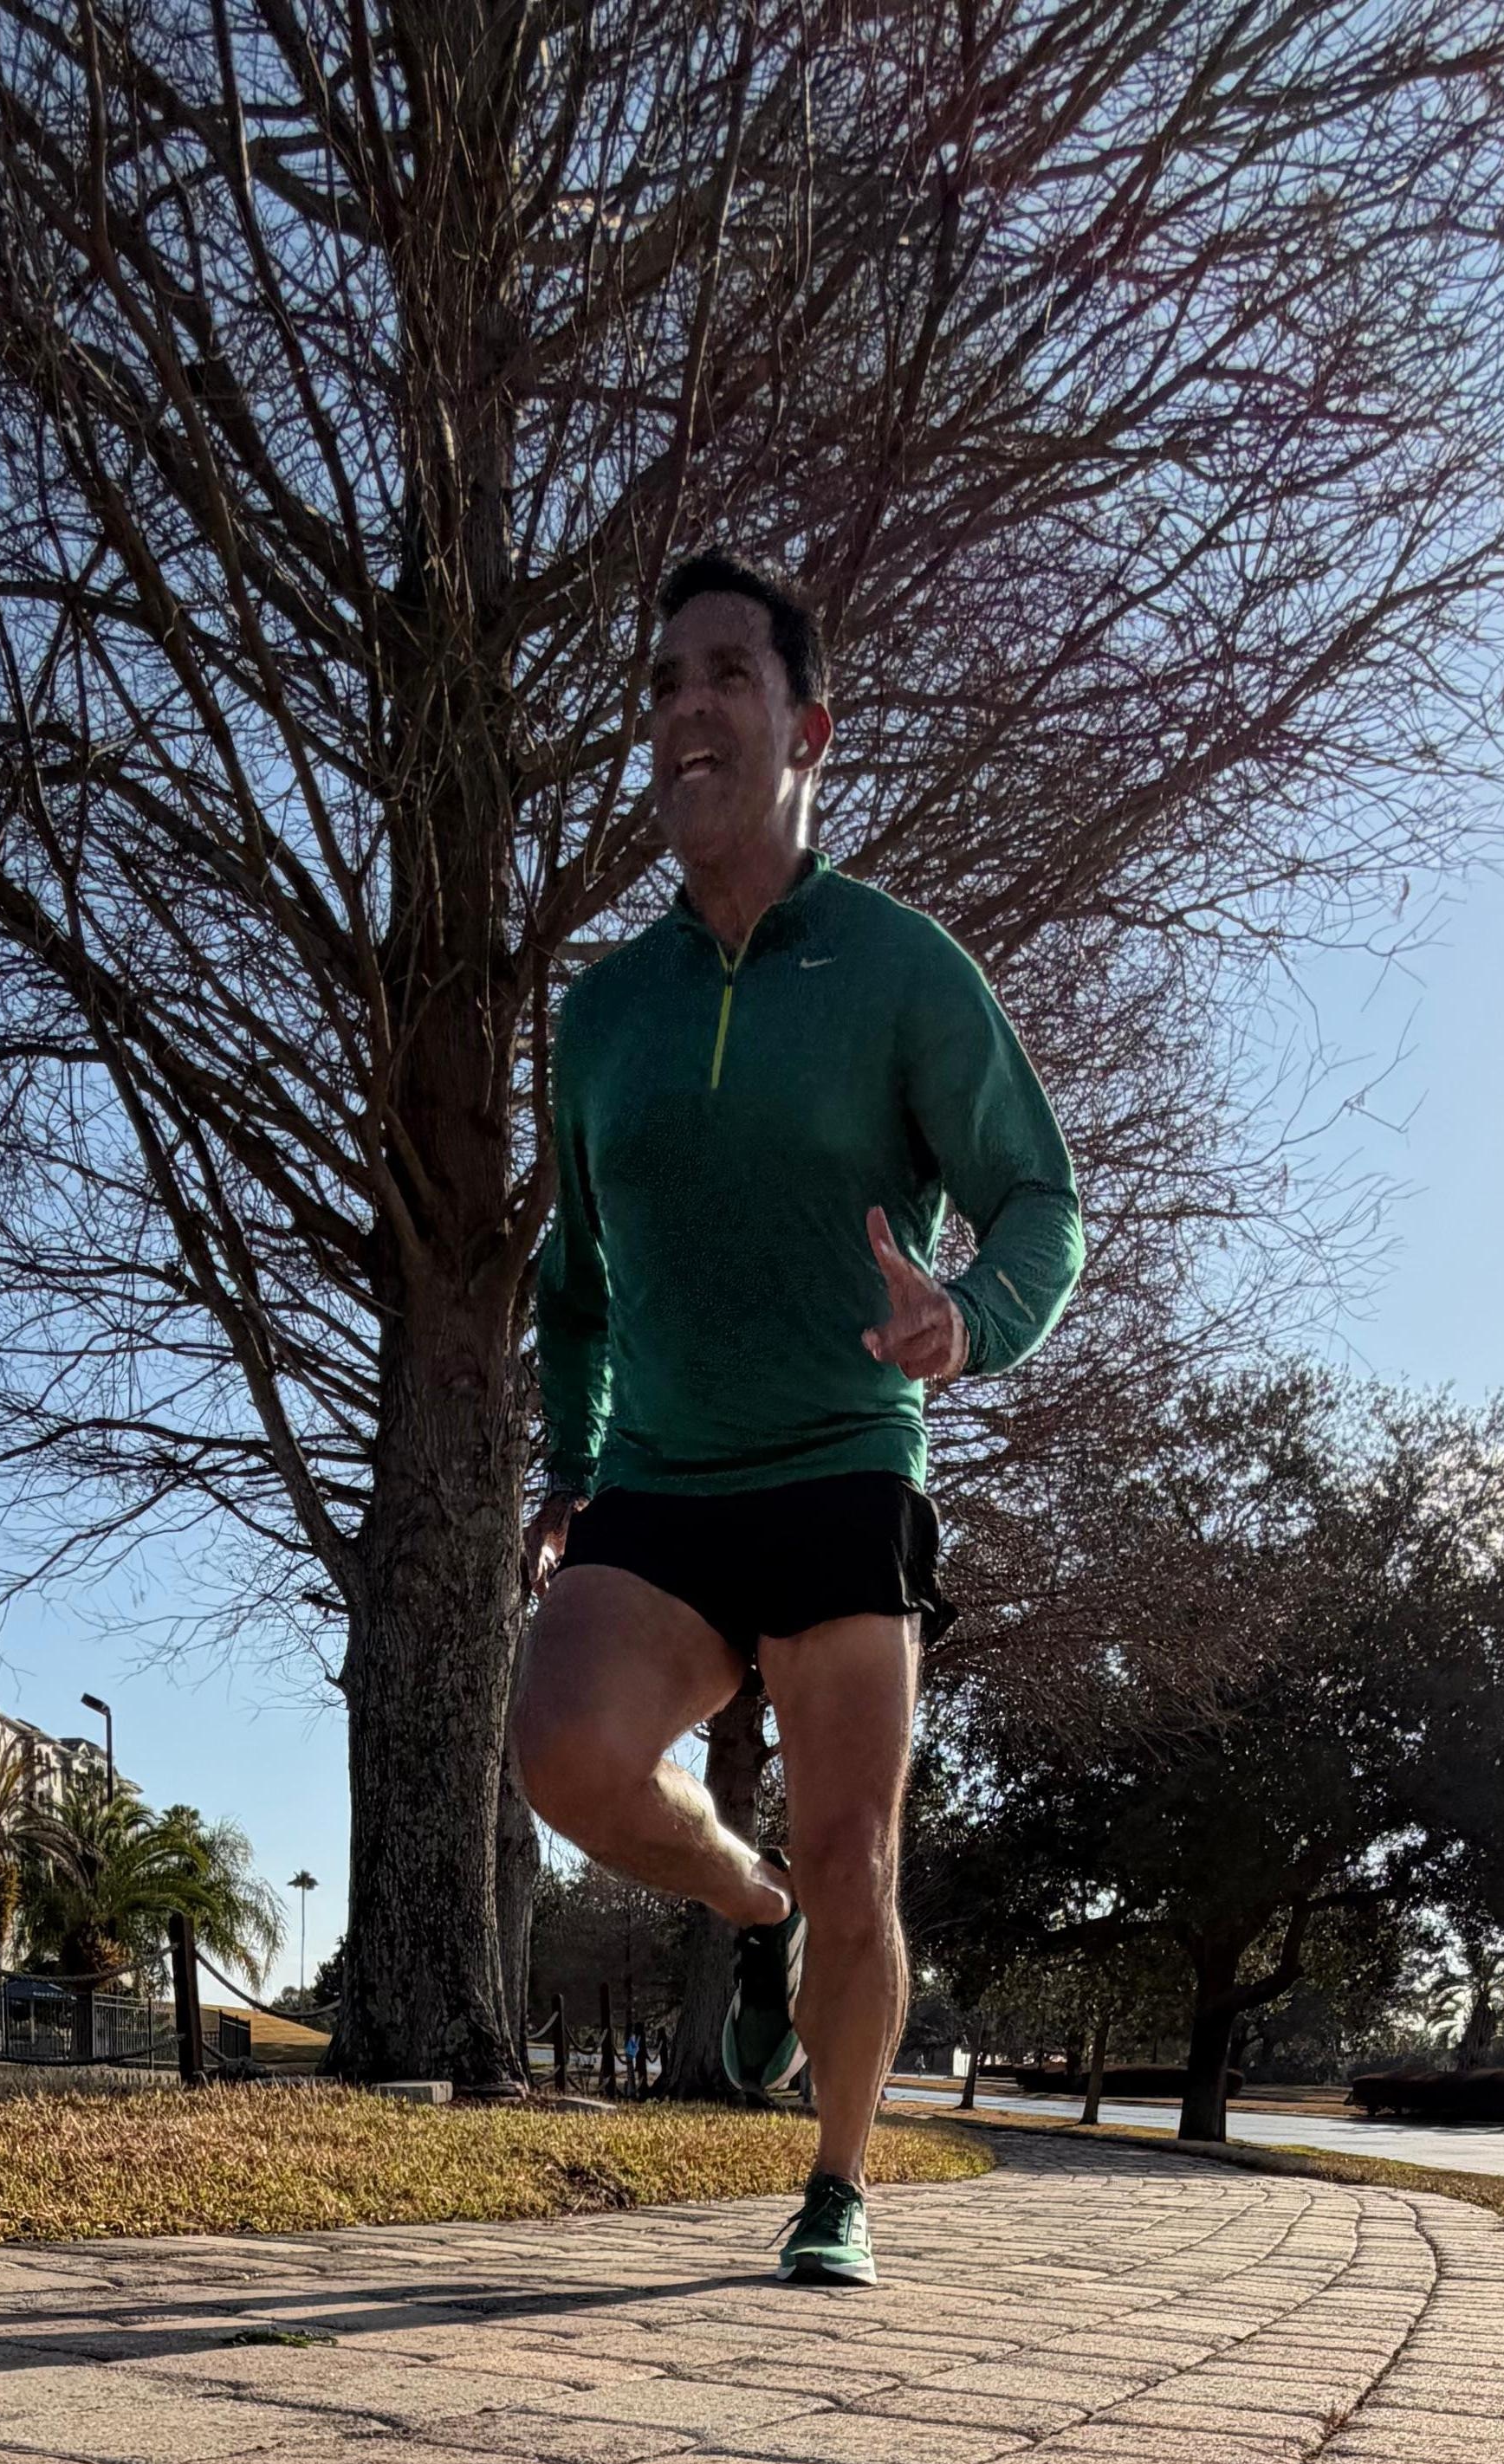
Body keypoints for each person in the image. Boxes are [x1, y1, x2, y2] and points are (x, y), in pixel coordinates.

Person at [515, 552, 1084, 2284]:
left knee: (858, 1849)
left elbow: (1039, 1200)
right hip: (665, 1480)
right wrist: (571, 1465)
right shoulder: (603, 1015)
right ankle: (739, 1902)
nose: (688, 708)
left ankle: (834, 2186)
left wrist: (966, 1318)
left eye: (726, 677)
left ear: (806, 725)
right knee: (565, 1757)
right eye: (664, 683)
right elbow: (577, 1279)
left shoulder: (904, 970)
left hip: (844, 1458)